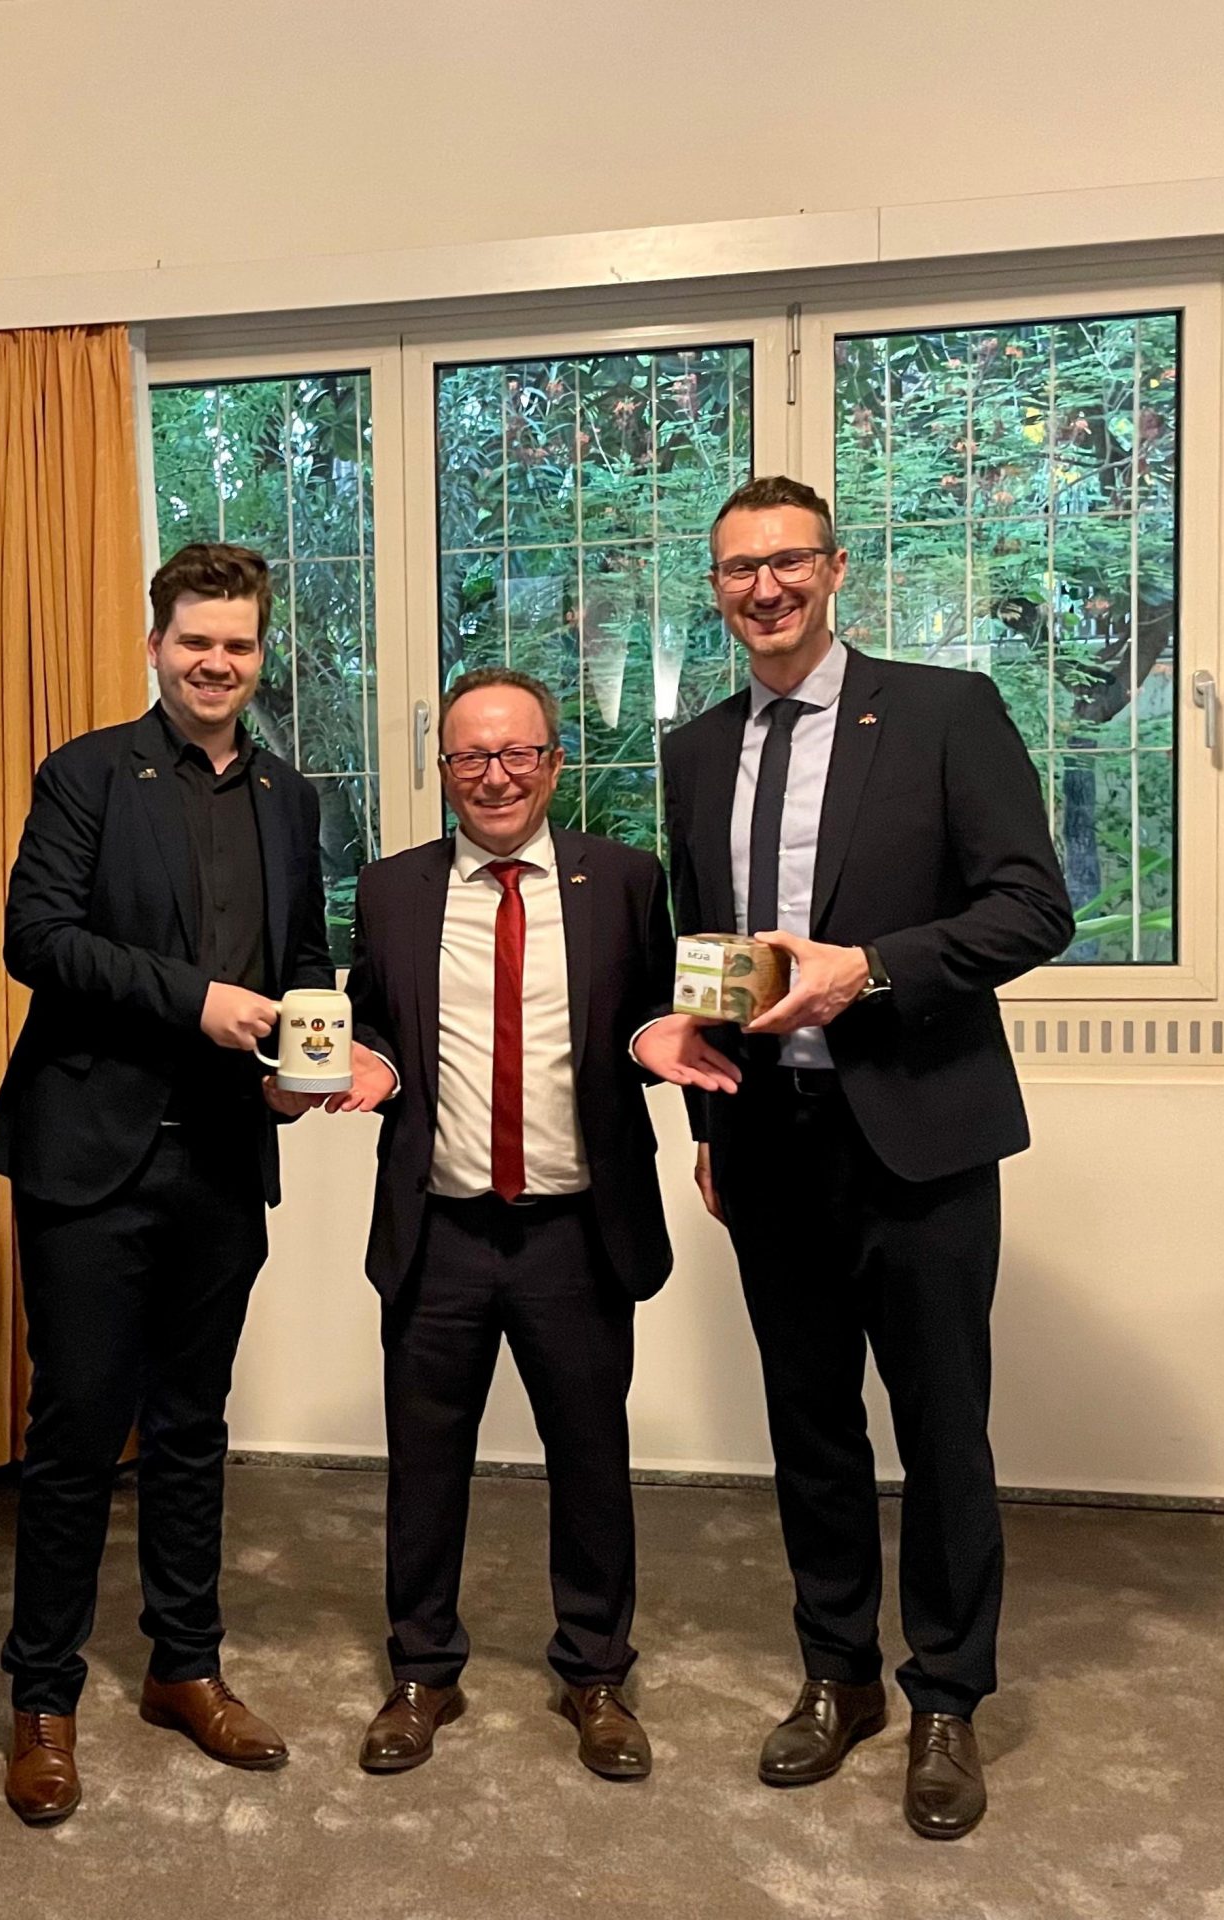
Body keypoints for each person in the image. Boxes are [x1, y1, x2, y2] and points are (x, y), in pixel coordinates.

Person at [649, 475, 1074, 1840]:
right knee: (810, 1425)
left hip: (921, 1137)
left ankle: (946, 1694)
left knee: (942, 1428)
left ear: (835, 571)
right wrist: (707, 1127)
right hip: (770, 1142)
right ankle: (838, 1675)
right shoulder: (694, 749)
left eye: (787, 562)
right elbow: (706, 958)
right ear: (716, 591)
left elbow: (1033, 907)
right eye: (738, 570)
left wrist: (869, 971)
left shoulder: (944, 712)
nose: (763, 588)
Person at [321, 667, 737, 1782]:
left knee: (591, 1460)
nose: (495, 776)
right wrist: (366, 1061)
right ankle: (422, 1670)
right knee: (424, 1464)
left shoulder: (624, 881)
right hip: (438, 1229)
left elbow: (657, 1016)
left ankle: (595, 1673)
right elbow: (373, 1023)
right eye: (471, 756)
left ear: (554, 764)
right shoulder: (392, 889)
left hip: (576, 1230)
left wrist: (665, 1058)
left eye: (517, 754)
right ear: (444, 768)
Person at [0, 541, 334, 1826]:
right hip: (90, 1154)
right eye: (195, 640)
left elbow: (307, 958)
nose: (216, 662)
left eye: (237, 643)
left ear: (260, 655)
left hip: (225, 1155)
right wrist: (197, 1001)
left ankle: (184, 1666)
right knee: (77, 1433)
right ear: (155, 645)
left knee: (193, 1426)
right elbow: (37, 939)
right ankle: (42, 1697)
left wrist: (303, 1063)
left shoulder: (289, 796)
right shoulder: (85, 773)